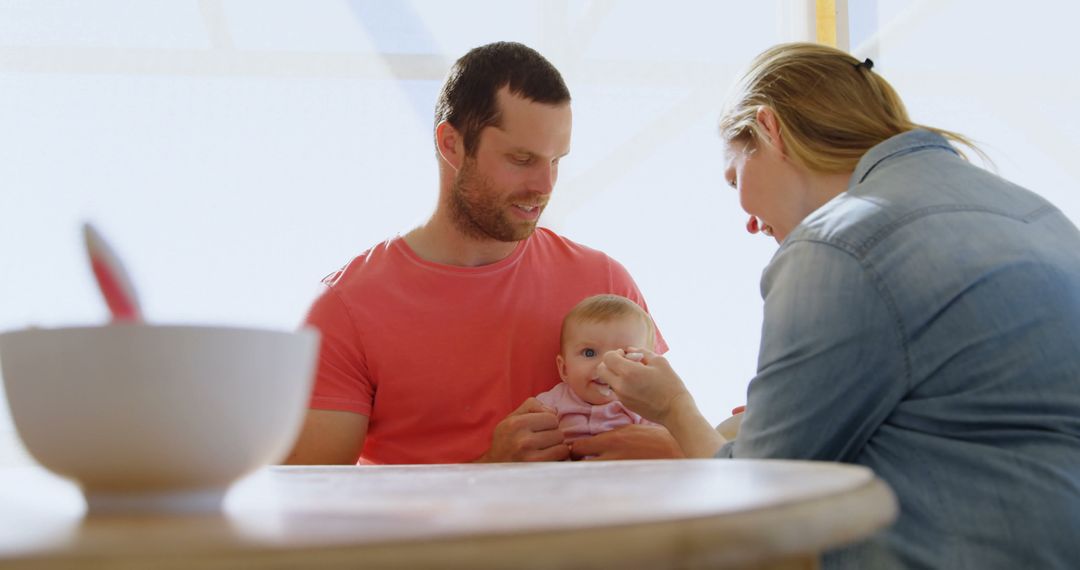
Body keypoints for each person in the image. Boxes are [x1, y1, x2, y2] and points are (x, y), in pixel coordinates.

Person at [597, 42, 1080, 568]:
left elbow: (756, 500)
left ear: (769, 130)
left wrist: (672, 407)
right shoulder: (1038, 214)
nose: (749, 221)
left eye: (735, 178)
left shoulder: (839, 246)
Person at [285, 41, 679, 466]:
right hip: (443, 537)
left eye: (556, 161)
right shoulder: (345, 309)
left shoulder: (605, 283)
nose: (544, 186)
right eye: (522, 158)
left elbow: (671, 432)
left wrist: (678, 450)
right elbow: (313, 509)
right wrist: (488, 471)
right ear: (451, 144)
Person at [536, 294, 658, 449]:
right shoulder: (549, 404)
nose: (604, 365)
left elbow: (667, 447)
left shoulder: (645, 407)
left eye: (624, 354)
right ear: (564, 369)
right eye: (589, 353)